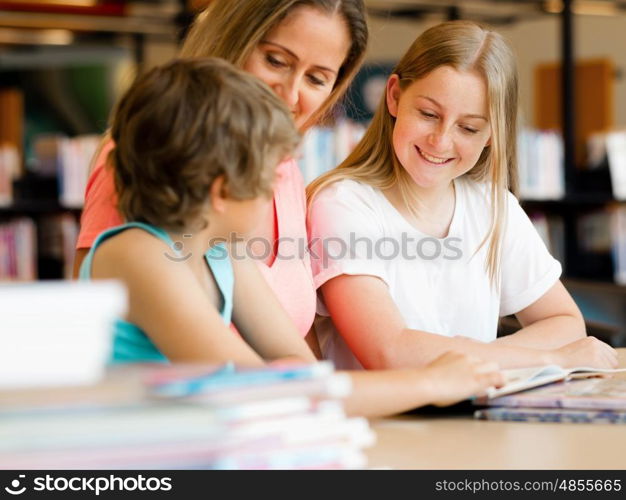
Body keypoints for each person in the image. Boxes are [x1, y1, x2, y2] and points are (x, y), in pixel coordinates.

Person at [80, 57, 504, 418]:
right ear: (222, 189)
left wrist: (435, 381)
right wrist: (429, 383)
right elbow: (262, 387)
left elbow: (301, 372)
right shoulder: (137, 254)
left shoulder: (221, 253)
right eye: (269, 178)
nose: (275, 194)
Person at [307, 20, 619, 371]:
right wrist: (545, 358)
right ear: (394, 96)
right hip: (385, 421)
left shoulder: (492, 206)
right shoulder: (341, 204)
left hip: (474, 419)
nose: (440, 141)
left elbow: (564, 321)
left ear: (490, 134)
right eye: (428, 114)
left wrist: (485, 358)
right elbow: (389, 352)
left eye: (468, 127)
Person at [73, 0, 368, 342]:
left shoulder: (286, 172)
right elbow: (94, 327)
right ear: (233, 40)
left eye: (316, 79)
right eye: (275, 60)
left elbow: (296, 350)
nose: (288, 94)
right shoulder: (148, 154)